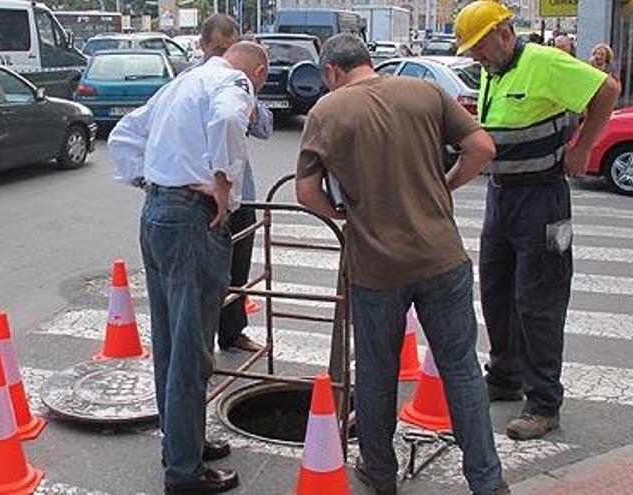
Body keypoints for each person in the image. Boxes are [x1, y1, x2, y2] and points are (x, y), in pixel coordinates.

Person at [295, 33, 506, 495]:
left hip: (376, 268)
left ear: (331, 72)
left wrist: (345, 216)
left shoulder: (328, 112)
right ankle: (488, 482)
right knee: (462, 369)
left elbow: (306, 193)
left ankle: (380, 473)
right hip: (442, 257)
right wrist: (444, 186)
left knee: (376, 372)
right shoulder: (425, 92)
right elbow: (483, 149)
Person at [108, 41, 269, 494]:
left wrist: (151, 180)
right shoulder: (232, 82)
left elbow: (124, 134)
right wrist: (222, 182)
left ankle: (181, 445)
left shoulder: (182, 82)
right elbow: (229, 118)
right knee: (191, 349)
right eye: (259, 84)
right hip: (192, 220)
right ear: (257, 72)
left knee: (169, 340)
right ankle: (184, 471)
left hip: (158, 213)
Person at [455, 1, 620, 440]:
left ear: (504, 34)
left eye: (479, 47)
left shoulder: (544, 62)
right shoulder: (495, 71)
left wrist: (583, 147)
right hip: (502, 196)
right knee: (496, 291)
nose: (475, 57)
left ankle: (544, 402)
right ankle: (505, 376)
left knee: (538, 301)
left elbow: (607, 90)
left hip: (543, 198)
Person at [197, 14, 273, 353]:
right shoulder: (194, 80)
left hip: (242, 192)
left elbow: (266, 129)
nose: (223, 57)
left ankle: (231, 333)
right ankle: (200, 344)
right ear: (202, 47)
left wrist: (250, 100)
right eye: (216, 49)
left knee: (238, 269)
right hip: (203, 193)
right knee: (205, 275)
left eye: (229, 49)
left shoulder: (241, 85)